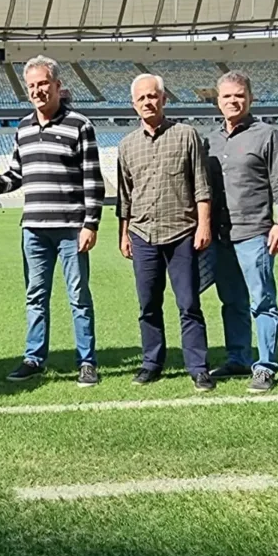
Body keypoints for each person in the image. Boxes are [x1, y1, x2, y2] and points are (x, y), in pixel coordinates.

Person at [0, 55, 104, 387]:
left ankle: (87, 361)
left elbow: (92, 180)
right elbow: (16, 174)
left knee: (78, 296)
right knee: (35, 295)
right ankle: (34, 358)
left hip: (69, 228)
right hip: (33, 228)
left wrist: (90, 224)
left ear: (57, 86)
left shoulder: (79, 125)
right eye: (32, 85)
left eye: (43, 84)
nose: (38, 90)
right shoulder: (23, 127)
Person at [116, 73, 215, 391]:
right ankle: (151, 363)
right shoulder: (126, 145)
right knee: (147, 305)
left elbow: (202, 184)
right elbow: (124, 196)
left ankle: (198, 367)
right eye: (141, 97)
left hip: (182, 232)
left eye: (153, 95)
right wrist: (124, 233)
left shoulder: (187, 135)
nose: (148, 101)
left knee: (189, 304)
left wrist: (204, 225)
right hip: (142, 234)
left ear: (164, 98)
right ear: (134, 105)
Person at [206, 70, 278, 393]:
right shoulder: (211, 140)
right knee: (231, 301)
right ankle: (239, 358)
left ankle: (266, 366)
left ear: (250, 98)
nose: (233, 101)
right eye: (227, 96)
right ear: (218, 101)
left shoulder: (266, 135)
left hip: (256, 233)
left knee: (262, 301)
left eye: (239, 95)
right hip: (221, 235)